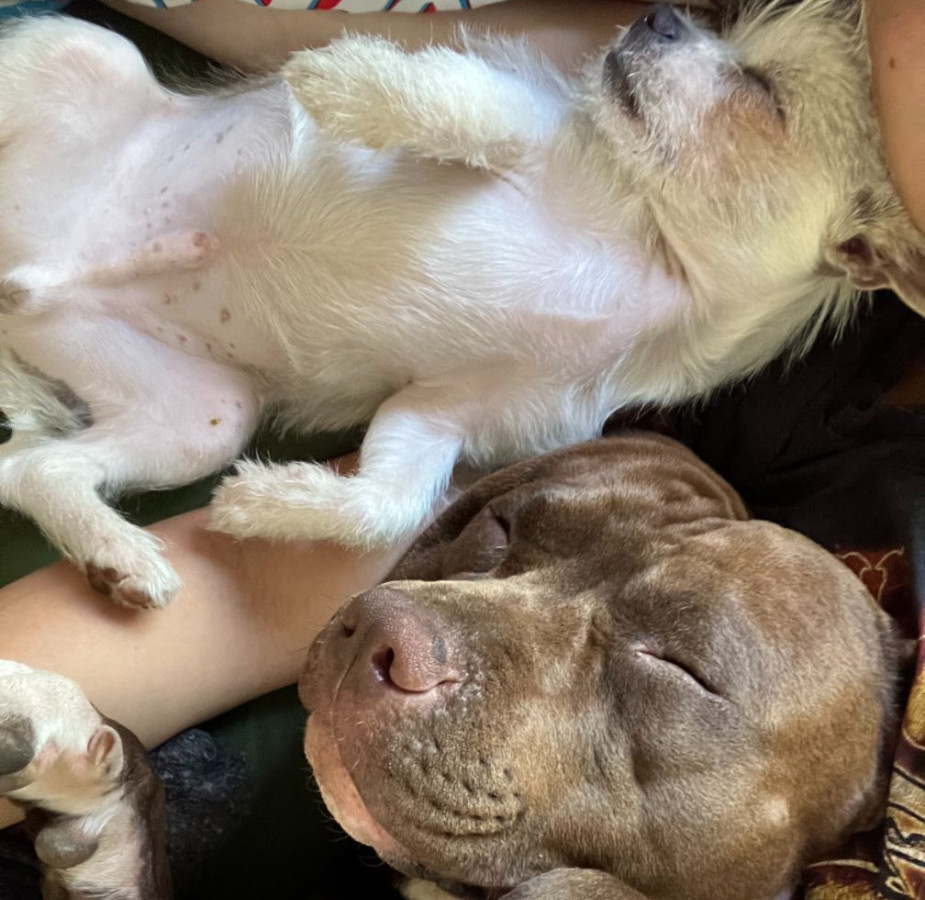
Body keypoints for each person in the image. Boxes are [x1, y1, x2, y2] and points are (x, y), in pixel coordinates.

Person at [0, 0, 921, 832]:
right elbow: (429, 85)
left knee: (201, 427)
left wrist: (369, 504)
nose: (676, 30)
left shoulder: (624, 388)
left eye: (759, 94)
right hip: (117, 138)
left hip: (146, 341)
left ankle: (48, 473)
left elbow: (431, 429)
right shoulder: (596, 122)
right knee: (79, 59)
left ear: (866, 249)